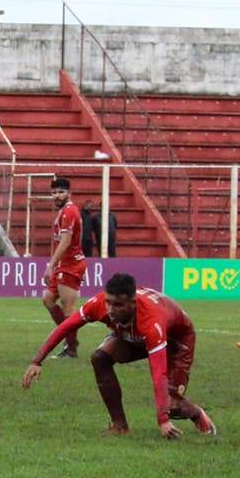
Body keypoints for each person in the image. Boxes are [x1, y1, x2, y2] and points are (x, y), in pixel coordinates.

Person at [22, 272, 216, 439]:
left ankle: (197, 414)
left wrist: (162, 419)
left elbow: (159, 373)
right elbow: (66, 326)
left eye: (118, 305)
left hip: (177, 341)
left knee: (171, 405)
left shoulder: (151, 319)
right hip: (134, 335)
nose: (110, 310)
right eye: (108, 303)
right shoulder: (99, 303)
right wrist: (37, 361)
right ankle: (119, 426)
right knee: (100, 358)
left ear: (132, 303)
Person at [41, 176, 86, 358]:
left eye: (61, 192)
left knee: (68, 308)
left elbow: (66, 241)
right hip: (64, 263)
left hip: (70, 264)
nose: (57, 196)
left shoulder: (69, 212)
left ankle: (71, 348)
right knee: (48, 299)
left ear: (69, 193)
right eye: (54, 193)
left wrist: (50, 265)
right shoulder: (64, 212)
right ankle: (69, 339)